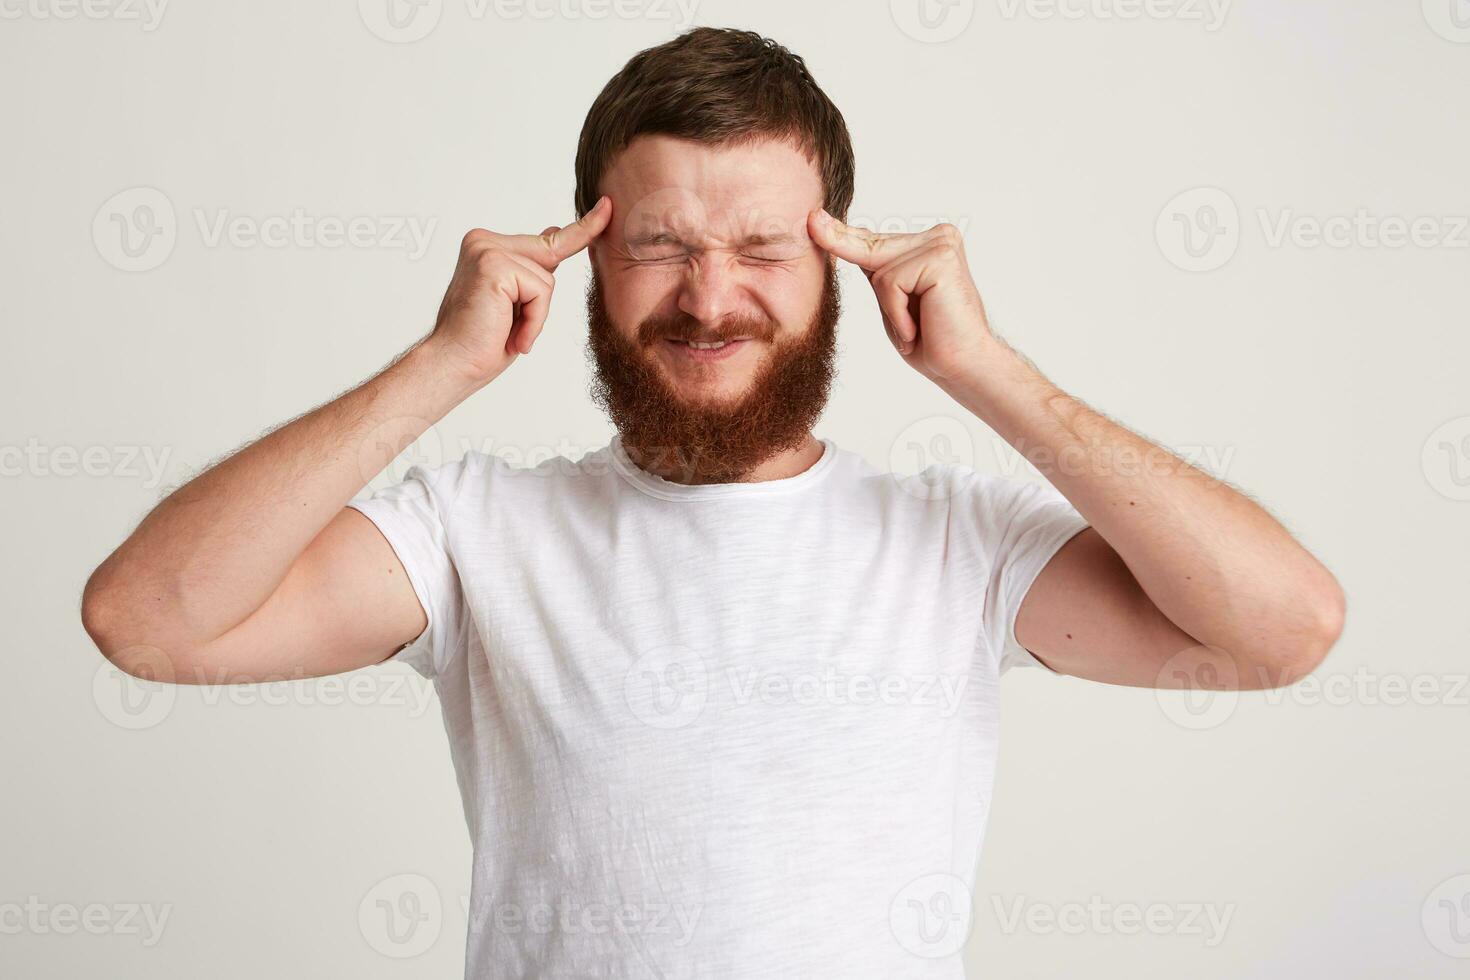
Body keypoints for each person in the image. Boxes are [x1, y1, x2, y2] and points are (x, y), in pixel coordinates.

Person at [80, 26, 1345, 979]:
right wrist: (439, 367)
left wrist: (986, 370)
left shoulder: (958, 546)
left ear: (839, 260)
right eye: (660, 245)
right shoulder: (475, 534)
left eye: (759, 248)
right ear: (585, 259)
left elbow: (1280, 628)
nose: (707, 294)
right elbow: (150, 619)